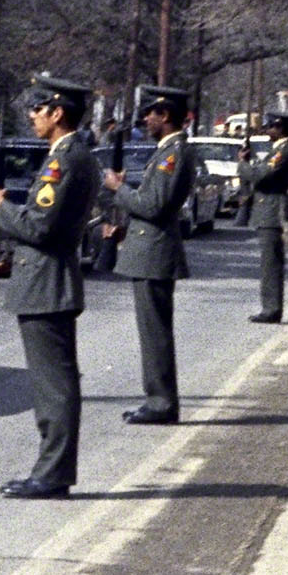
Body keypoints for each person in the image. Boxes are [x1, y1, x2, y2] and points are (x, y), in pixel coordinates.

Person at [0, 75, 101, 499]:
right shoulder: (69, 156)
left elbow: (40, 225)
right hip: (47, 279)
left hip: (47, 283)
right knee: (54, 382)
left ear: (58, 112)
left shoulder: (63, 160)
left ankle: (52, 472)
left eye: (38, 108)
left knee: (54, 385)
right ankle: (52, 468)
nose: (32, 116)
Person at [102, 85, 197, 425]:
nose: (145, 120)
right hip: (149, 249)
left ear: (165, 115)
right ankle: (157, 399)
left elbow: (155, 206)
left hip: (155, 253)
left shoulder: (174, 152)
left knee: (155, 333)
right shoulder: (166, 150)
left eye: (150, 114)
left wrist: (119, 189)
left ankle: (161, 403)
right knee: (152, 331)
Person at [243, 112, 288, 322]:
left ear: (280, 128)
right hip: (268, 210)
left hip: (272, 211)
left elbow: (262, 175)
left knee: (271, 263)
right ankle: (270, 306)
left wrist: (243, 165)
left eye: (270, 127)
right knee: (269, 262)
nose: (267, 131)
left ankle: (272, 308)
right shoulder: (278, 149)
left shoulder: (283, 150)